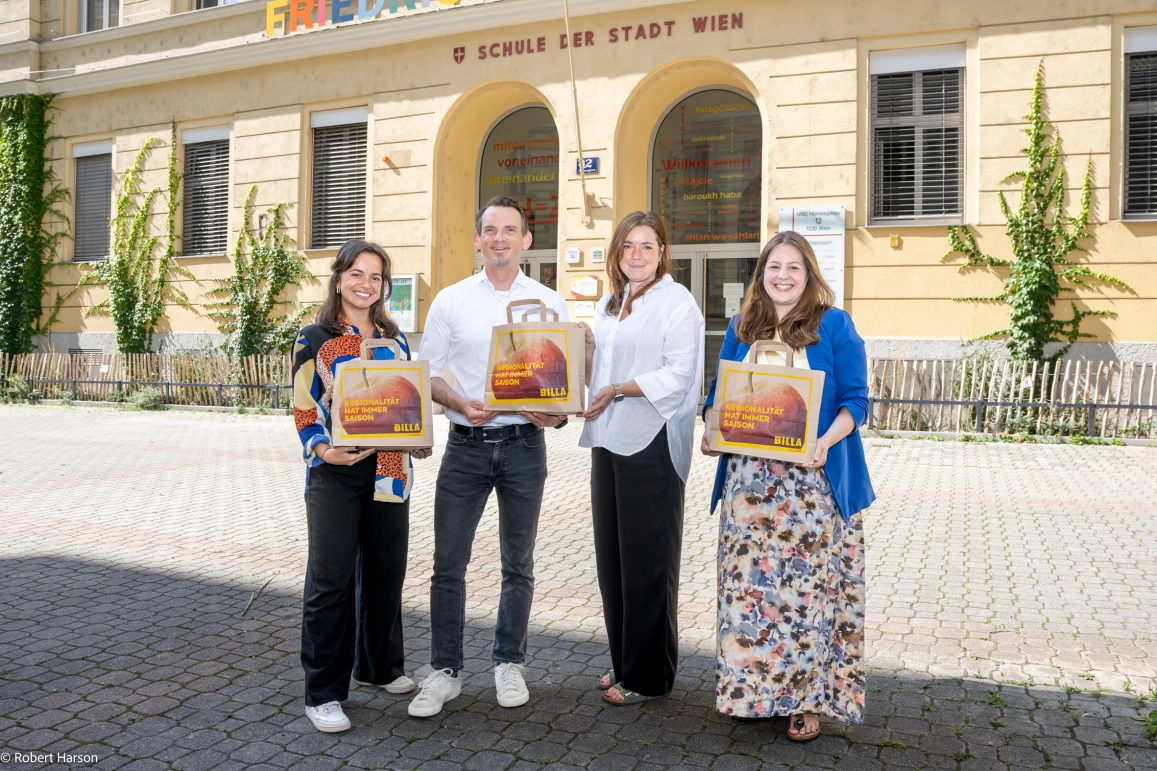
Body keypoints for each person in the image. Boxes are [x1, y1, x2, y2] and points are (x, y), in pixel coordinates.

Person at [702, 230, 875, 740]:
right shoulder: (742, 325)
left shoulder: (835, 325)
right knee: (750, 596)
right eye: (773, 266)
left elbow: (857, 402)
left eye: (793, 268)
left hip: (812, 488)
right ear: (761, 274)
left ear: (809, 274)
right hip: (750, 490)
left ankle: (807, 702)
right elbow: (719, 395)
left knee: (808, 599)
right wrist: (713, 431)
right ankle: (751, 694)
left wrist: (825, 439)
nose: (782, 275)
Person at [411, 196, 569, 718]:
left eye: (510, 230)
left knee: (517, 564)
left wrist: (557, 416)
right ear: (477, 239)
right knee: (447, 564)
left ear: (526, 240)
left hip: (525, 446)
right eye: (490, 230)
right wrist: (455, 401)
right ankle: (445, 670)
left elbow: (561, 385)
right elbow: (425, 373)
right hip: (466, 447)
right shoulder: (451, 301)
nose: (499, 238)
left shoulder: (548, 303)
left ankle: (508, 661)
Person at [291, 240, 433, 733]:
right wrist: (323, 449)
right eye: (356, 274)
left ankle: (379, 668)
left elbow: (404, 403)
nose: (365, 284)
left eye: (375, 277)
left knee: (385, 573)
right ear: (338, 279)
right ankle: (323, 692)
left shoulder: (396, 341)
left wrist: (416, 438)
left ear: (383, 287)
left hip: (390, 471)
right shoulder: (313, 337)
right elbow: (304, 406)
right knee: (331, 581)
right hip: (335, 472)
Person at [579, 211, 704, 705]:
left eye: (647, 246)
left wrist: (616, 388)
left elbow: (679, 375)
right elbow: (599, 370)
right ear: (617, 253)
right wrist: (582, 351)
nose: (637, 254)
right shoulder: (612, 304)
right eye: (628, 245)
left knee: (647, 563)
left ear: (662, 253)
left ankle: (649, 677)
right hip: (608, 440)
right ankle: (624, 660)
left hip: (650, 440)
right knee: (612, 560)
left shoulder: (677, 302)